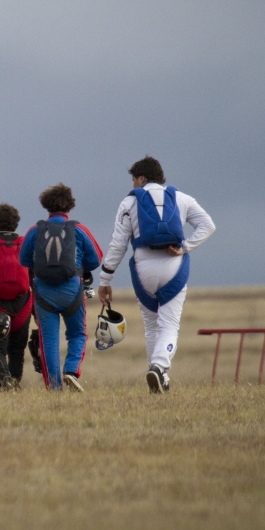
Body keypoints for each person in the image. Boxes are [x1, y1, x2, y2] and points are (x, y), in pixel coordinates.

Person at [97, 156, 215, 393]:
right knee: (169, 325)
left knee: (152, 327)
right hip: (173, 266)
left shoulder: (128, 203)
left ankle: (158, 375)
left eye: (133, 180)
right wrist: (184, 246)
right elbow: (208, 225)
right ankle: (160, 369)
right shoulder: (181, 198)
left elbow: (118, 245)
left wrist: (105, 279)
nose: (132, 185)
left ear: (141, 178)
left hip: (143, 269)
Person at [20, 183, 102, 392]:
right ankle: (72, 370)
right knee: (77, 334)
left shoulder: (35, 230)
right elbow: (96, 258)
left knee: (49, 341)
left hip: (44, 292)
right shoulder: (78, 229)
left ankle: (54, 387)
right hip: (72, 290)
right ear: (69, 206)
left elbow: (23, 260)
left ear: (46, 207)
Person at [0, 203, 33, 390]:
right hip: (23, 305)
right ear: (16, 222)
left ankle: (4, 381)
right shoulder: (25, 243)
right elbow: (32, 275)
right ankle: (15, 383)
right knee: (17, 350)